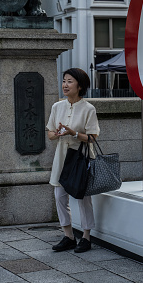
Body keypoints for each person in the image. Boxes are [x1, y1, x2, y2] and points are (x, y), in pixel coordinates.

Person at [46, 68, 100, 253]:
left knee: (83, 197)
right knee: (60, 196)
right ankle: (68, 236)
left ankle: (86, 237)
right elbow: (50, 134)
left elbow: (93, 138)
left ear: (80, 85)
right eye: (64, 81)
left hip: (81, 158)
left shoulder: (88, 109)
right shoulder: (56, 107)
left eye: (70, 81)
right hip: (62, 156)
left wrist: (74, 133)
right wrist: (58, 134)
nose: (65, 85)